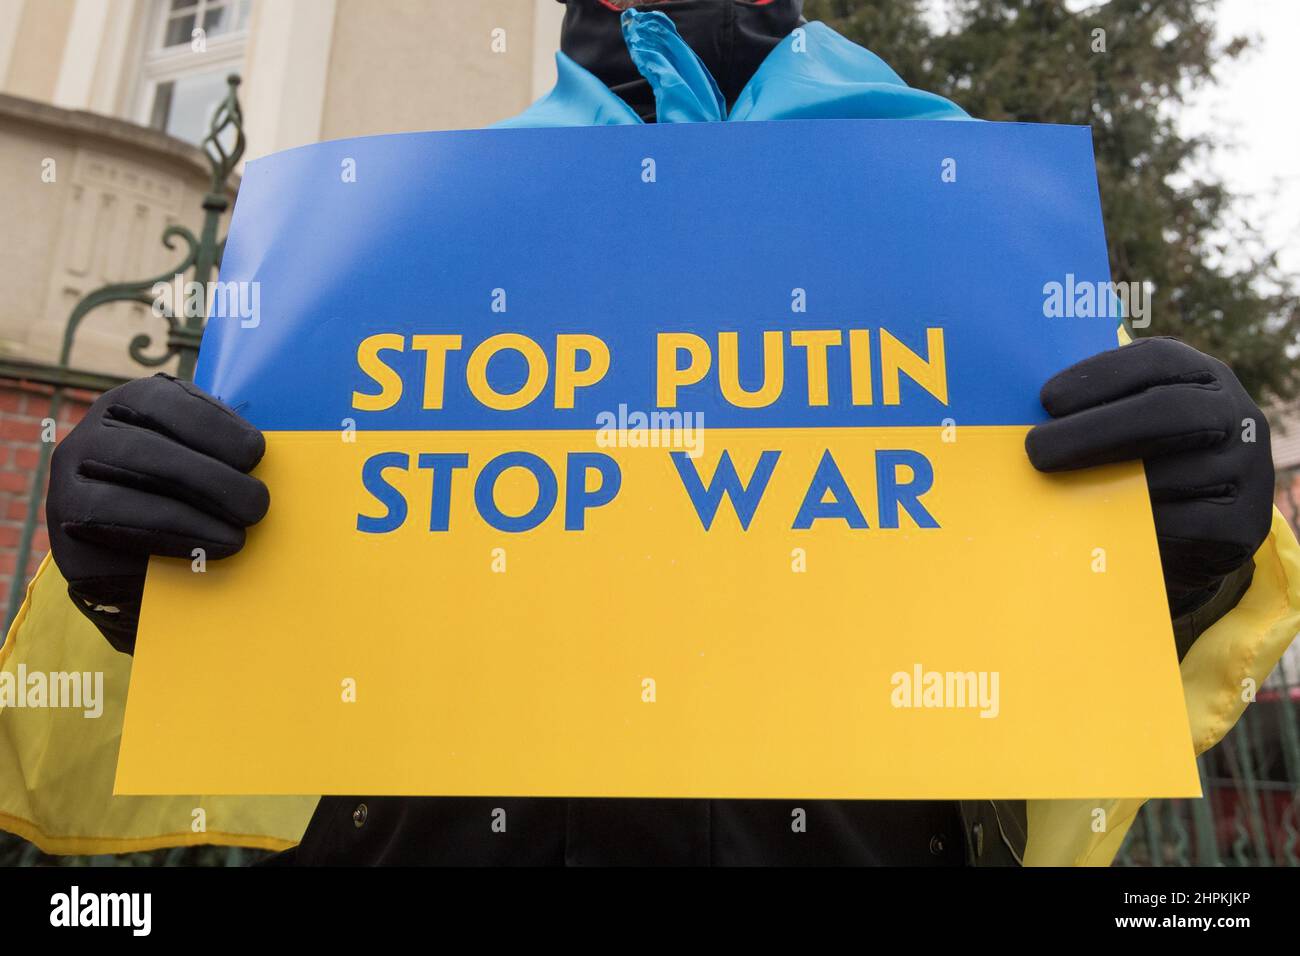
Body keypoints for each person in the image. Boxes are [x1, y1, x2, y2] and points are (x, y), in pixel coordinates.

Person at [24, 0, 1298, 865]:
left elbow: (1057, 755)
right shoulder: (385, 242)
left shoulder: (964, 212)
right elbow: (113, 737)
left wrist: (1183, 566)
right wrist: (127, 590)